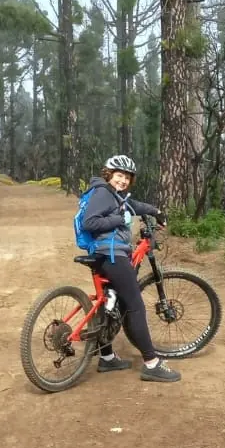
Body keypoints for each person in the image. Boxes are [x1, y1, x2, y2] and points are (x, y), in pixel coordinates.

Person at [78, 155, 181, 382]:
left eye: (127, 177)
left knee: (111, 303)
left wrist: (155, 211)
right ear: (109, 175)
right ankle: (151, 363)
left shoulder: (115, 196)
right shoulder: (104, 193)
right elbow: (90, 222)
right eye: (119, 175)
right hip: (111, 254)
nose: (123, 181)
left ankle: (106, 357)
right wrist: (119, 219)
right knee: (135, 306)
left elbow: (132, 205)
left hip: (106, 253)